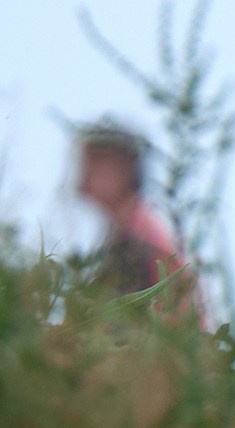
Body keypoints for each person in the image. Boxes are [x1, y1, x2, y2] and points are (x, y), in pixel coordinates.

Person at [72, 118, 199, 316]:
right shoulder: (127, 226)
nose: (85, 172)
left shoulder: (139, 235)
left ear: (125, 168)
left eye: (97, 161)